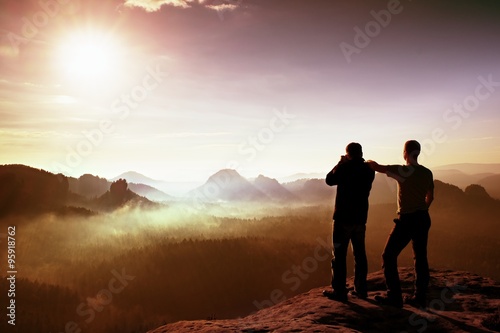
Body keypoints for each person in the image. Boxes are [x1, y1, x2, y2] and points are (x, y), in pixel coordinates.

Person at [367, 140, 434, 308]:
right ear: (417, 153)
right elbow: (430, 196)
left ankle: (394, 297)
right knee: (420, 257)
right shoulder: (427, 172)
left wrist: (365, 161)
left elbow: (376, 167)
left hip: (407, 219)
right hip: (423, 218)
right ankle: (420, 297)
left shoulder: (402, 170)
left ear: (405, 153)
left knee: (388, 256)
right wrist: (422, 209)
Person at [323, 142, 375, 302]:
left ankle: (339, 291)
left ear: (348, 154)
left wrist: (341, 162)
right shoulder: (368, 170)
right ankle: (361, 290)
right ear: (361, 153)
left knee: (339, 255)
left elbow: (329, 180)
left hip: (343, 218)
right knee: (360, 254)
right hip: (360, 218)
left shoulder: (344, 168)